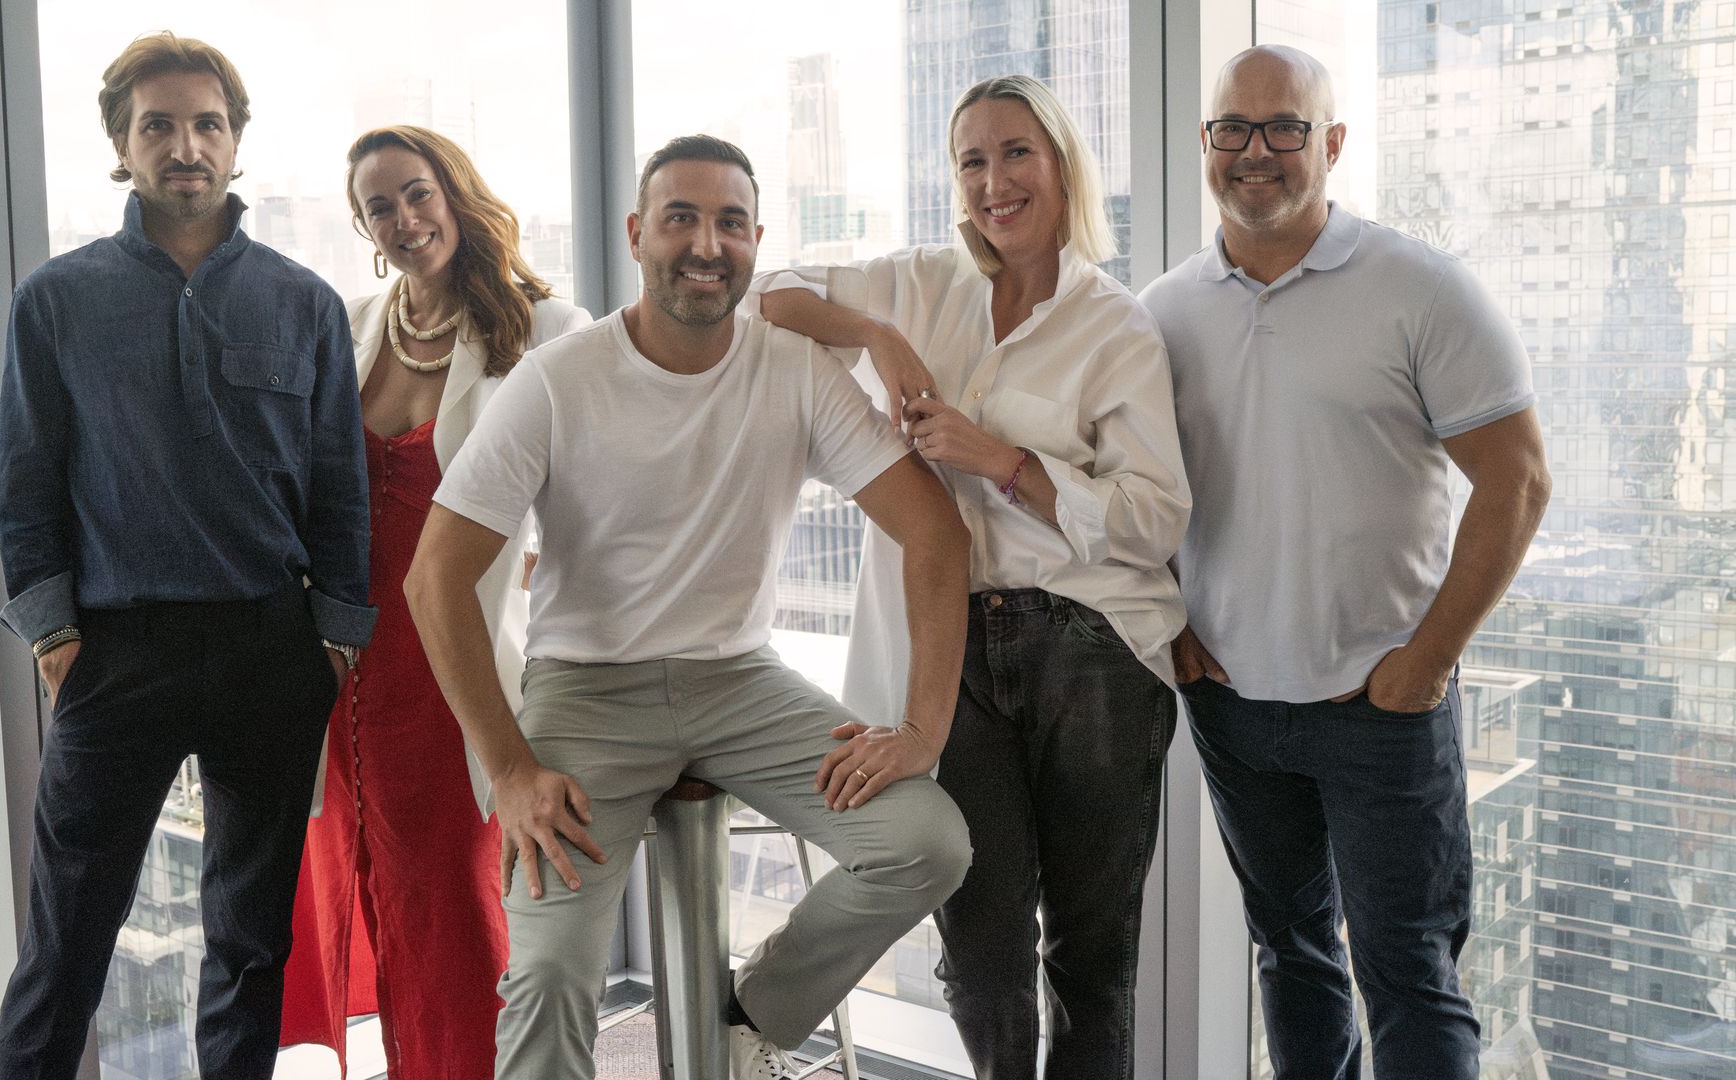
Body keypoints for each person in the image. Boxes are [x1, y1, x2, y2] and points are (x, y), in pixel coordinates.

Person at [404, 134, 973, 1080]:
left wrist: (921, 728)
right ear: (637, 233)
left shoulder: (793, 370)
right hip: (586, 692)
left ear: (756, 241)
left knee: (927, 845)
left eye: (730, 223)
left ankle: (748, 1018)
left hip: (741, 684)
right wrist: (508, 769)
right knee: (548, 976)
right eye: (681, 218)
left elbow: (936, 533)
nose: (707, 244)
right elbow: (435, 578)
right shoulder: (558, 379)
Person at [755, 74, 1190, 1079]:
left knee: (1092, 958)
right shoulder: (916, 282)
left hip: (1091, 646)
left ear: (1062, 163)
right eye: (972, 159)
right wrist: (875, 334)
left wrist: (1001, 460)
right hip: (945, 653)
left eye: (1016, 153)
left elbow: (1155, 517)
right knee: (981, 952)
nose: (995, 181)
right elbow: (768, 293)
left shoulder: (1115, 325)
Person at [1138, 45, 1551, 1079]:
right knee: (1293, 957)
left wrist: (1426, 662)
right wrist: (1177, 626)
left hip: (1383, 706)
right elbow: (1134, 498)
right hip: (1233, 703)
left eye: (1285, 128)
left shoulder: (1419, 287)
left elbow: (1520, 483)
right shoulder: (1163, 310)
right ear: (1206, 144)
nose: (1256, 151)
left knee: (1409, 974)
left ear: (1331, 143)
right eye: (1234, 127)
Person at [0, 31, 373, 1080]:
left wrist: (334, 641)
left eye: (207, 124)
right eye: (158, 125)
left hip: (270, 649)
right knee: (66, 942)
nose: (186, 145)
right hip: (117, 654)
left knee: (252, 943)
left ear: (237, 143)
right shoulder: (56, 302)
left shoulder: (304, 304)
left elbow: (340, 487)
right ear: (122, 143)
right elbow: (23, 488)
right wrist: (57, 638)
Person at [276, 125, 590, 1077]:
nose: (405, 219)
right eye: (380, 205)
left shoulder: (546, 332)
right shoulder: (349, 325)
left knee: (457, 907)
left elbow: (586, 498)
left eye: (418, 193)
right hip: (339, 663)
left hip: (453, 664)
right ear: (364, 225)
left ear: (454, 194)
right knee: (362, 890)